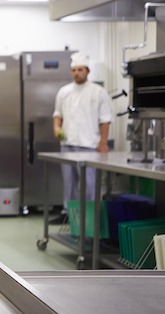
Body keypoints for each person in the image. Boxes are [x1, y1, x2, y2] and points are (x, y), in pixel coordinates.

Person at [50, 52, 113, 224]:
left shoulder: (98, 93)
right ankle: (67, 214)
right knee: (69, 184)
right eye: (74, 70)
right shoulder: (64, 92)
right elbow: (58, 114)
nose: (76, 73)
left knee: (91, 185)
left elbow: (105, 119)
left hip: (89, 147)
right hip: (68, 145)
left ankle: (92, 216)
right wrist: (57, 128)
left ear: (88, 71)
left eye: (80, 69)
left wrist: (103, 143)